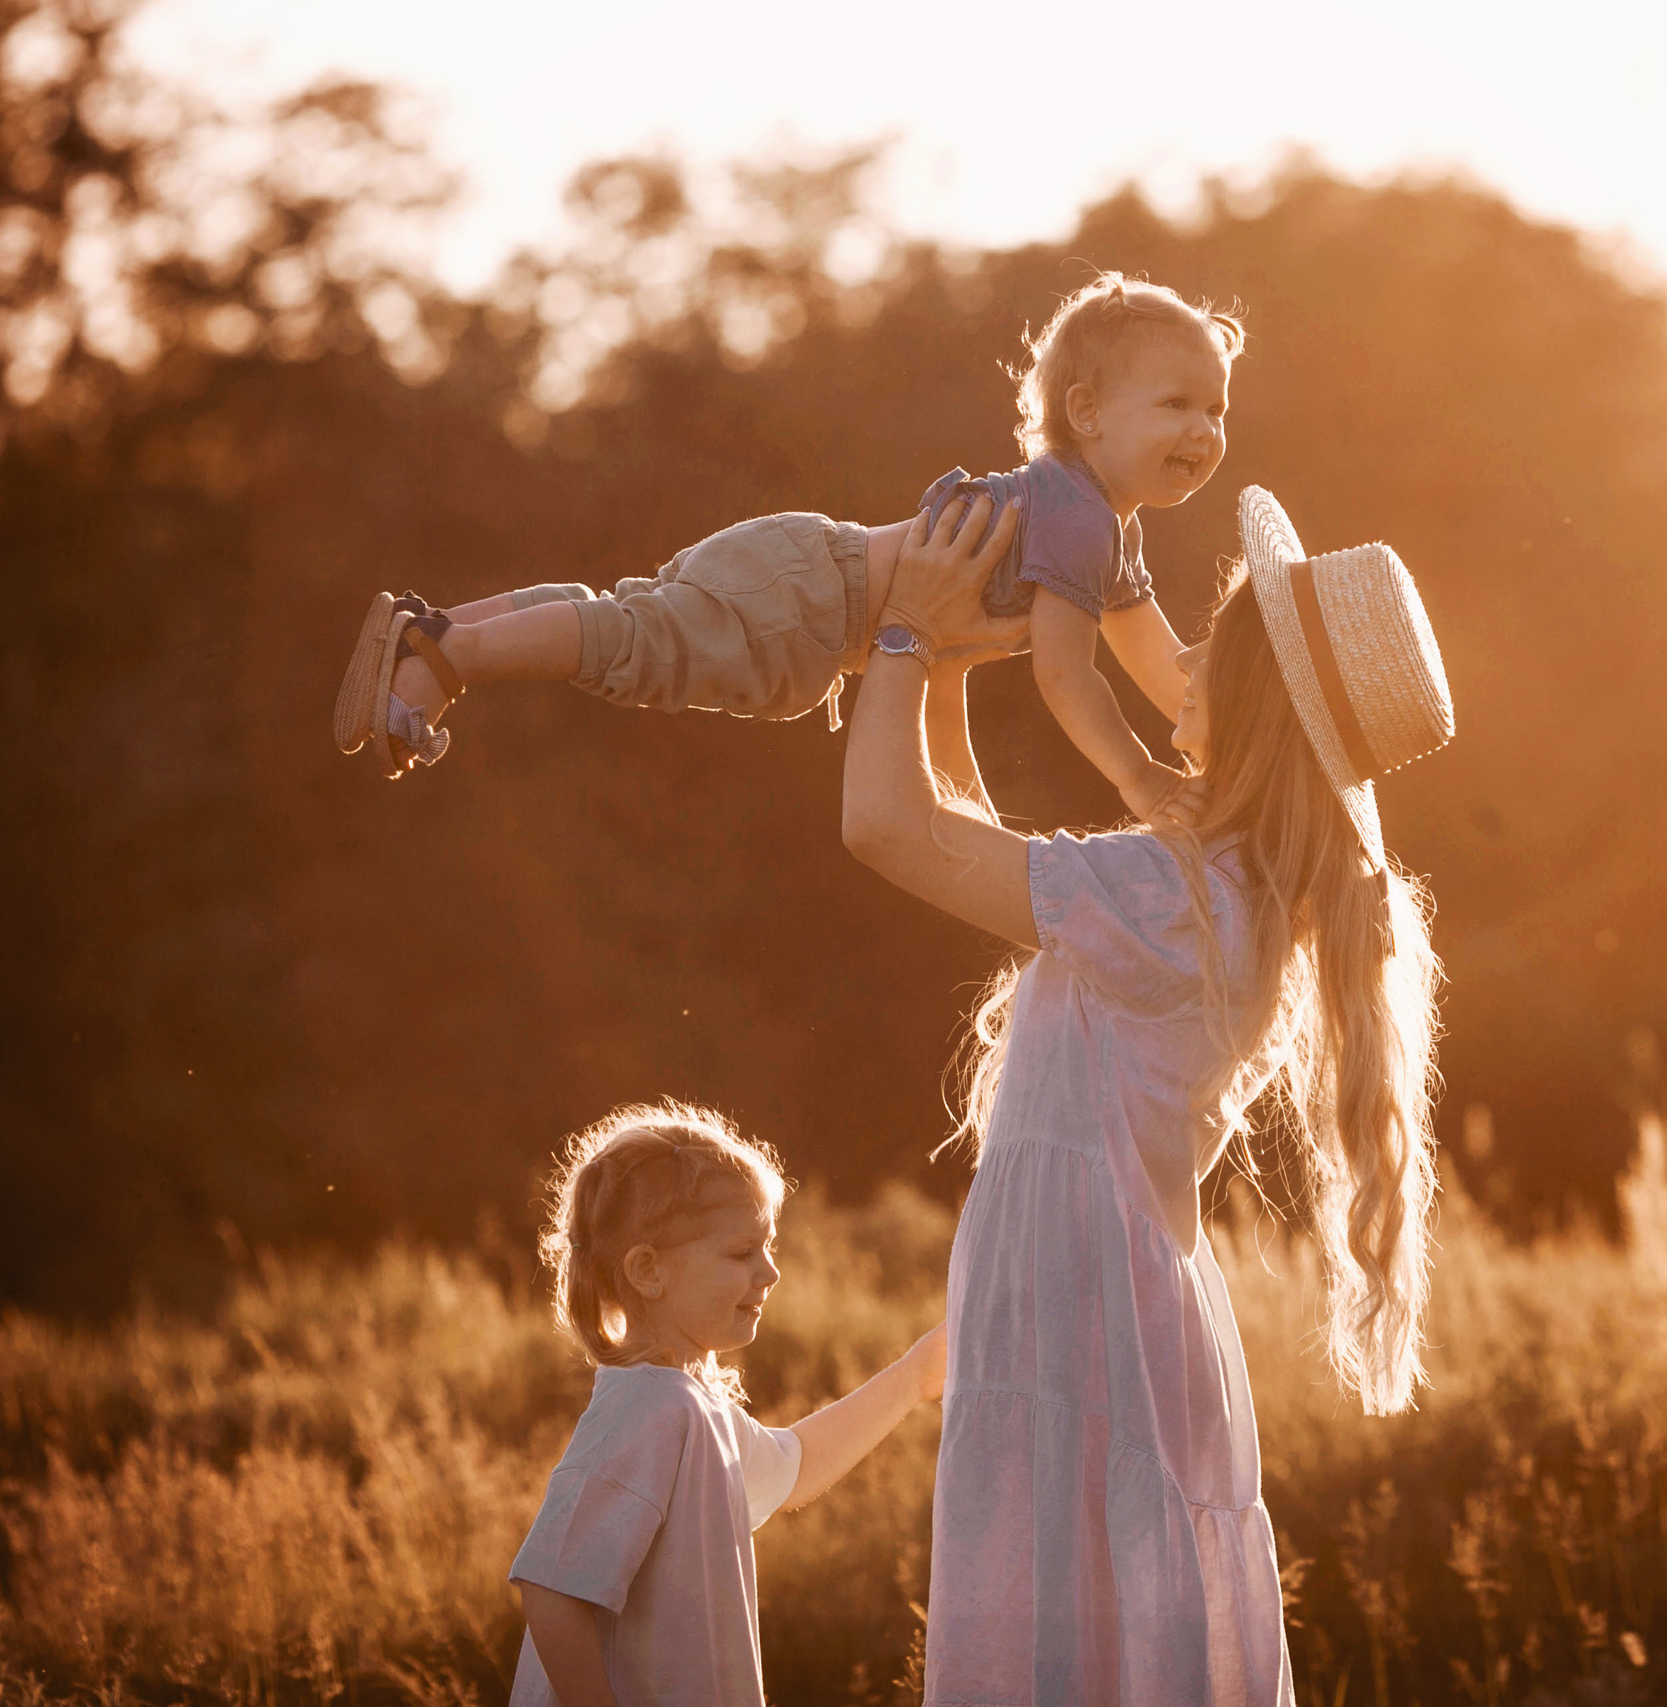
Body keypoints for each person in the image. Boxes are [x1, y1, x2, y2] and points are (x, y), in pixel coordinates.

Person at [839, 485, 1457, 1703]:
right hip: (1110, 1309)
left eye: (1204, 648)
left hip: (1089, 1321)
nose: (1174, 663)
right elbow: (970, 849)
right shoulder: (1218, 891)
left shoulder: (1178, 898)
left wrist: (907, 633)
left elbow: (883, 828)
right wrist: (955, 661)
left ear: (1248, 699)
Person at [331, 273, 1240, 827]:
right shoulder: (1079, 519)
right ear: (1086, 413)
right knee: (637, 645)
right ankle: (445, 655)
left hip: (809, 571)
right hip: (815, 600)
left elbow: (1159, 666)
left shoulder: (1102, 529)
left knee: (629, 618)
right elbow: (1067, 676)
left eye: (1216, 409)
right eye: (1177, 404)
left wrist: (1229, 746)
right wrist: (1143, 781)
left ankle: (439, 625)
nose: (1203, 428)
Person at [508, 1100, 947, 1707]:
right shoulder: (651, 1409)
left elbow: (794, 1466)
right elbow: (552, 1592)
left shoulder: (691, 1407)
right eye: (742, 1253)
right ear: (647, 1271)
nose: (769, 1273)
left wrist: (912, 1377)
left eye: (767, 1247)